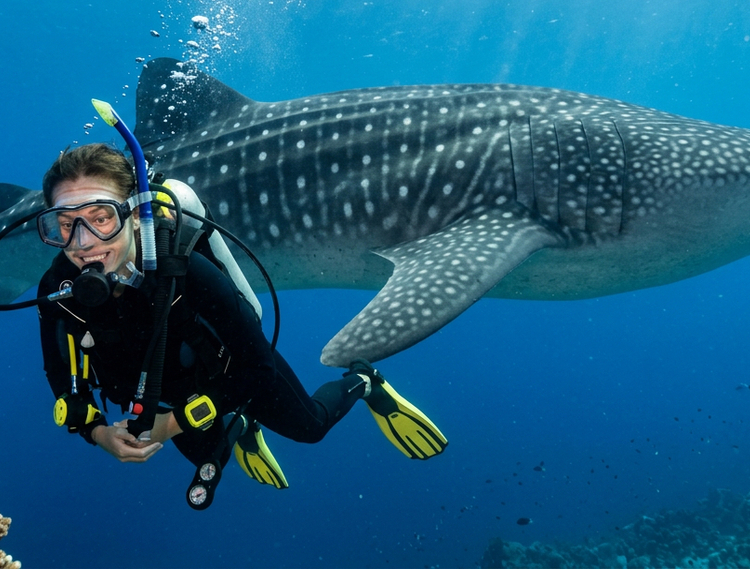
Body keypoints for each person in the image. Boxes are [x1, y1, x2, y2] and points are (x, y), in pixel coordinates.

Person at [35, 142, 447, 489]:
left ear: (133, 213)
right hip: (164, 393)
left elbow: (258, 366)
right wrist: (99, 433)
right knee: (208, 457)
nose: (83, 242)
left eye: (101, 218)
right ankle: (244, 428)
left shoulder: (186, 272)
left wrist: (172, 424)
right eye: (65, 224)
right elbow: (61, 377)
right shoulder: (59, 289)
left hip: (231, 369)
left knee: (310, 428)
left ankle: (364, 381)